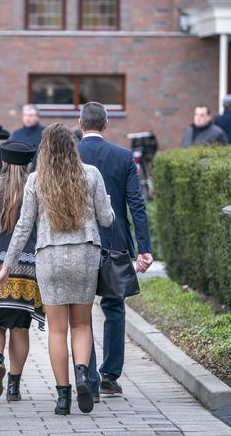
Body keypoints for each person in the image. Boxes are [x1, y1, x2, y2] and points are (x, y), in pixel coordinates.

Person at [0, 123, 114, 416]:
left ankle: (63, 398)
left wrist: (6, 266)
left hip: (49, 258)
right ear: (73, 146)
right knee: (82, 325)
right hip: (85, 254)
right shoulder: (91, 175)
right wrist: (109, 205)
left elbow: (23, 227)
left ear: (44, 150)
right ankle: (84, 374)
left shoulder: (35, 180)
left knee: (57, 331)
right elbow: (107, 219)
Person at [77, 102, 153, 400]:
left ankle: (88, 376)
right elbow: (137, 204)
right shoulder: (122, 157)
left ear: (80, 124)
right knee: (114, 308)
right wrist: (144, 249)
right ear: (106, 125)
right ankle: (109, 376)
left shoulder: (70, 156)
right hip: (114, 243)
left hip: (77, 242)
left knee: (81, 314)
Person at [0, 140, 45, 403]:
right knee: (19, 327)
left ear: (2, 162)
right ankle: (14, 385)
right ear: (28, 164)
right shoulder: (35, 188)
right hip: (26, 269)